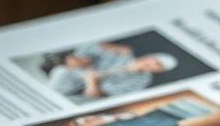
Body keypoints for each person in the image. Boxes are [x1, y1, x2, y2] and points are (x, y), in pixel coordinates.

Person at [46, 42, 178, 101]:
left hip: (85, 93)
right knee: (61, 71)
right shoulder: (121, 53)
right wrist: (77, 60)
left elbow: (95, 97)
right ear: (149, 55)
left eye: (158, 66)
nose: (152, 65)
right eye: (154, 60)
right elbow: (84, 50)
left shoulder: (141, 81)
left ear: (159, 71)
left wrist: (92, 82)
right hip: (67, 75)